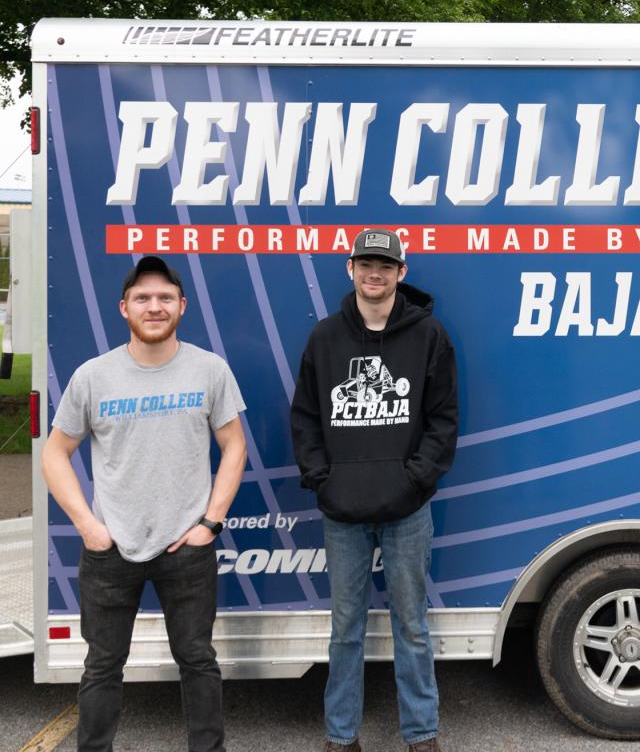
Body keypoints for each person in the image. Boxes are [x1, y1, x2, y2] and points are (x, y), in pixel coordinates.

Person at [41, 255, 247, 752]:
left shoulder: (210, 370)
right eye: (142, 298)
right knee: (102, 666)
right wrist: (88, 526)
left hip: (188, 549)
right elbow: (54, 452)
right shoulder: (93, 376)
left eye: (164, 298)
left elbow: (235, 445)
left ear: (182, 306)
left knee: (197, 660)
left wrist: (210, 524)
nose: (154, 307)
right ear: (124, 308)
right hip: (110, 549)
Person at [291, 228, 458, 752]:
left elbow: (443, 419)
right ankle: (341, 737)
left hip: (407, 510)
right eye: (365, 264)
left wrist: (415, 479)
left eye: (385, 266)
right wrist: (324, 480)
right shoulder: (325, 337)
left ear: (401, 273)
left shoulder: (429, 335)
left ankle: (422, 733)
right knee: (345, 628)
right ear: (350, 268)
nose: (374, 274)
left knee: (412, 625)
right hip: (343, 512)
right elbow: (305, 417)